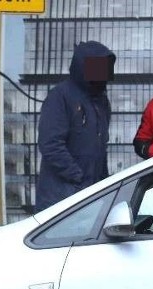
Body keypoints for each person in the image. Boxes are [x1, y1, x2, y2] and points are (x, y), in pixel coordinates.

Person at [34, 41, 116, 213]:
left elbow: (101, 148)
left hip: (90, 197)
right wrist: (79, 177)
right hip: (61, 199)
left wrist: (103, 184)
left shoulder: (101, 102)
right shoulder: (60, 97)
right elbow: (50, 144)